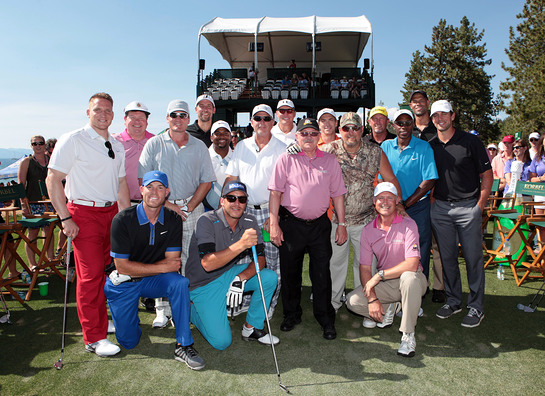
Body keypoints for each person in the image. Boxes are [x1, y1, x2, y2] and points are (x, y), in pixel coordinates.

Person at [46, 92, 130, 357]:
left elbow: (121, 184)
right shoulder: (73, 140)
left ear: (113, 114)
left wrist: (125, 219)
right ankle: (94, 336)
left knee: (106, 272)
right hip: (83, 213)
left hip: (111, 214)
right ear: (88, 112)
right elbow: (53, 179)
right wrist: (65, 218)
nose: (102, 114)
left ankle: (101, 323)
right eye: (97, 110)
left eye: (107, 110)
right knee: (90, 276)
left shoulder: (116, 145)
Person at [105, 171, 204, 370]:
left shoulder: (173, 219)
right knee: (129, 342)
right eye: (149, 186)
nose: (154, 192)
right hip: (123, 283)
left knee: (179, 283)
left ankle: (183, 344)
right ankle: (127, 320)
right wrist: (159, 268)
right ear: (141, 190)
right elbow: (122, 266)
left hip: (152, 281)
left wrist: (150, 269)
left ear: (167, 192)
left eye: (160, 187)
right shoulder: (122, 219)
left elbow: (173, 263)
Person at [139, 99, 215, 327]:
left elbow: (206, 181)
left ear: (188, 119)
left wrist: (189, 207)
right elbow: (143, 180)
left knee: (191, 259)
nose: (178, 119)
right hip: (161, 208)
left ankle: (188, 305)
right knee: (163, 258)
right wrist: (168, 205)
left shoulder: (199, 146)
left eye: (183, 115)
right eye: (174, 115)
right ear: (167, 118)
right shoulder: (154, 144)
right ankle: (163, 309)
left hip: (193, 208)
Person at [269, 118, 347, 340]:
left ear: (319, 137)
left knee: (322, 274)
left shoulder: (330, 161)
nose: (309, 137)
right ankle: (292, 314)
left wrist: (341, 224)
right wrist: (273, 223)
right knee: (290, 272)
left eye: (314, 133)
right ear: (297, 136)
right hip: (291, 224)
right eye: (304, 134)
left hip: (320, 226)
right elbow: (275, 193)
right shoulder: (286, 159)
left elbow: (338, 195)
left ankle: (325, 319)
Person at [321, 112, 402, 312]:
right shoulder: (328, 150)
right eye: (346, 128)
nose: (351, 132)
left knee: (366, 265)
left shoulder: (376, 152)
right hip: (336, 220)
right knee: (335, 264)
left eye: (355, 128)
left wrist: (399, 205)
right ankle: (332, 304)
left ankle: (365, 304)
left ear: (362, 130)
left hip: (366, 220)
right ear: (340, 131)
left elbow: (390, 179)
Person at [186, 181, 279, 350]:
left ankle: (251, 328)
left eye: (242, 200)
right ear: (222, 201)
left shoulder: (249, 220)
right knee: (221, 343)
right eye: (231, 198)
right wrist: (241, 244)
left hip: (229, 274)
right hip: (203, 284)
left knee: (269, 277)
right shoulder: (206, 220)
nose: (237, 203)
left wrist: (240, 278)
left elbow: (260, 259)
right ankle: (190, 310)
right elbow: (207, 264)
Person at [428, 100, 492, 328]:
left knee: (473, 259)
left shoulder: (471, 141)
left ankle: (476, 306)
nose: (439, 119)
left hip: (468, 207)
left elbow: (487, 174)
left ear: (453, 115)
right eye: (435, 115)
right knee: (447, 259)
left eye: (443, 114)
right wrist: (435, 203)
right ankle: (454, 301)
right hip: (442, 209)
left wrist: (479, 205)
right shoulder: (432, 144)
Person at [346, 182, 427, 357]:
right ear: (374, 202)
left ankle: (408, 334)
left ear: (397, 201)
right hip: (389, 283)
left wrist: (379, 276)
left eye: (389, 198)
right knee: (352, 301)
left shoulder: (408, 224)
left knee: (409, 279)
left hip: (414, 279)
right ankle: (391, 305)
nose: (385, 202)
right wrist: (373, 298)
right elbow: (365, 268)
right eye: (380, 198)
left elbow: (412, 264)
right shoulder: (368, 230)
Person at [225, 104, 286, 314]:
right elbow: (231, 178)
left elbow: (286, 186)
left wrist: (275, 217)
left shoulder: (282, 148)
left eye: (266, 118)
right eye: (257, 118)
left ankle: (267, 304)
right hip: (243, 211)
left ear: (273, 123)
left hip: (270, 212)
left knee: (270, 259)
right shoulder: (242, 146)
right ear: (251, 122)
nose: (261, 122)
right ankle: (245, 301)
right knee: (244, 257)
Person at [381, 109, 438, 292]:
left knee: (419, 251)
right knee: (393, 251)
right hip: (391, 209)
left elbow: (429, 180)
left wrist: (405, 204)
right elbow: (381, 178)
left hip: (417, 208)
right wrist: (395, 204)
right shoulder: (385, 147)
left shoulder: (424, 147)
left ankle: (418, 293)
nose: (404, 127)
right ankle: (394, 292)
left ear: (413, 125)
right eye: (400, 123)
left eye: (407, 122)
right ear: (394, 125)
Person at [18, 135, 54, 270]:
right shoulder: (26, 162)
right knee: (32, 233)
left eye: (40, 143)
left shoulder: (50, 160)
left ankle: (50, 260)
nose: (38, 146)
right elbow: (21, 184)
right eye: (35, 144)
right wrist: (23, 204)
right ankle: (32, 263)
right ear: (31, 146)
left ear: (44, 145)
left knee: (49, 231)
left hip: (49, 202)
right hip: (32, 203)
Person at [113, 101, 154, 203]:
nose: (137, 122)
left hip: (150, 204)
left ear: (147, 121)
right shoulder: (113, 142)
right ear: (125, 120)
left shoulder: (156, 141)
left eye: (141, 118)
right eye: (133, 118)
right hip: (120, 204)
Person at [206, 120, 233, 210]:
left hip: (231, 210)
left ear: (230, 137)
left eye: (225, 133)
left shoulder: (237, 158)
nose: (222, 136)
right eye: (217, 133)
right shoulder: (203, 157)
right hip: (206, 209)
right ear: (211, 137)